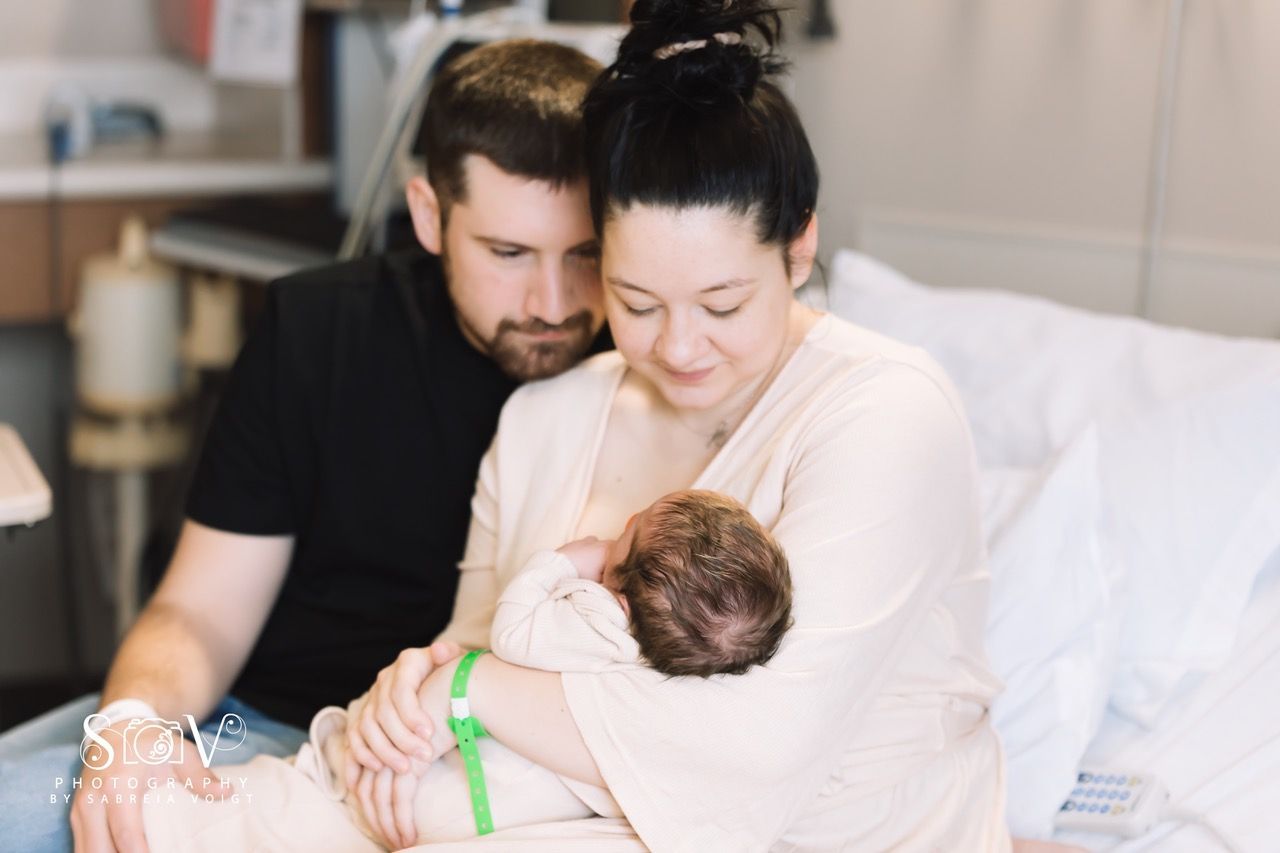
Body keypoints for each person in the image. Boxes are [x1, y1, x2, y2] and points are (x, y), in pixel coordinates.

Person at [344, 1, 1019, 850]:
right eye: (635, 301)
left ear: (799, 249)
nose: (678, 346)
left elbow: (755, 751)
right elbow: (469, 647)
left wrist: (471, 691)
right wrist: (417, 696)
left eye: (722, 303)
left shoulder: (886, 413)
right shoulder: (545, 416)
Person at [0, 38, 608, 853]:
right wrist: (133, 725)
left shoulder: (636, 375)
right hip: (260, 723)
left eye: (586, 254)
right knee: (22, 815)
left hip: (476, 765)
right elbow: (197, 611)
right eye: (508, 254)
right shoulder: (320, 334)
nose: (553, 301)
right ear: (430, 214)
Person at [136, 489, 793, 850]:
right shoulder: (660, 671)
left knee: (279, 804)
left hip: (432, 775)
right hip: (468, 803)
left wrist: (565, 561)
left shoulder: (592, 618)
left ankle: (158, 819)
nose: (612, 532)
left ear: (620, 591)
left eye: (624, 536)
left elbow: (513, 629)